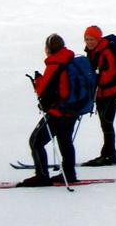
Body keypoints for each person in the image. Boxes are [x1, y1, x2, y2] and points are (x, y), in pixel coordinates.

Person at [18, 33, 78, 187]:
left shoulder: (55, 64)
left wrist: (38, 80)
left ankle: (42, 175)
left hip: (58, 113)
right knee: (65, 141)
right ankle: (69, 173)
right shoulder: (70, 60)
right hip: (71, 111)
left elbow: (43, 90)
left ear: (48, 49)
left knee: (36, 141)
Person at [81, 26, 116, 166]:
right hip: (101, 94)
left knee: (107, 123)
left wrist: (96, 78)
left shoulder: (105, 52)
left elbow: (110, 72)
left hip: (111, 94)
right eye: (86, 39)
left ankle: (109, 155)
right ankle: (108, 154)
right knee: (105, 124)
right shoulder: (92, 52)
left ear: (98, 39)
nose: (89, 42)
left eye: (92, 39)